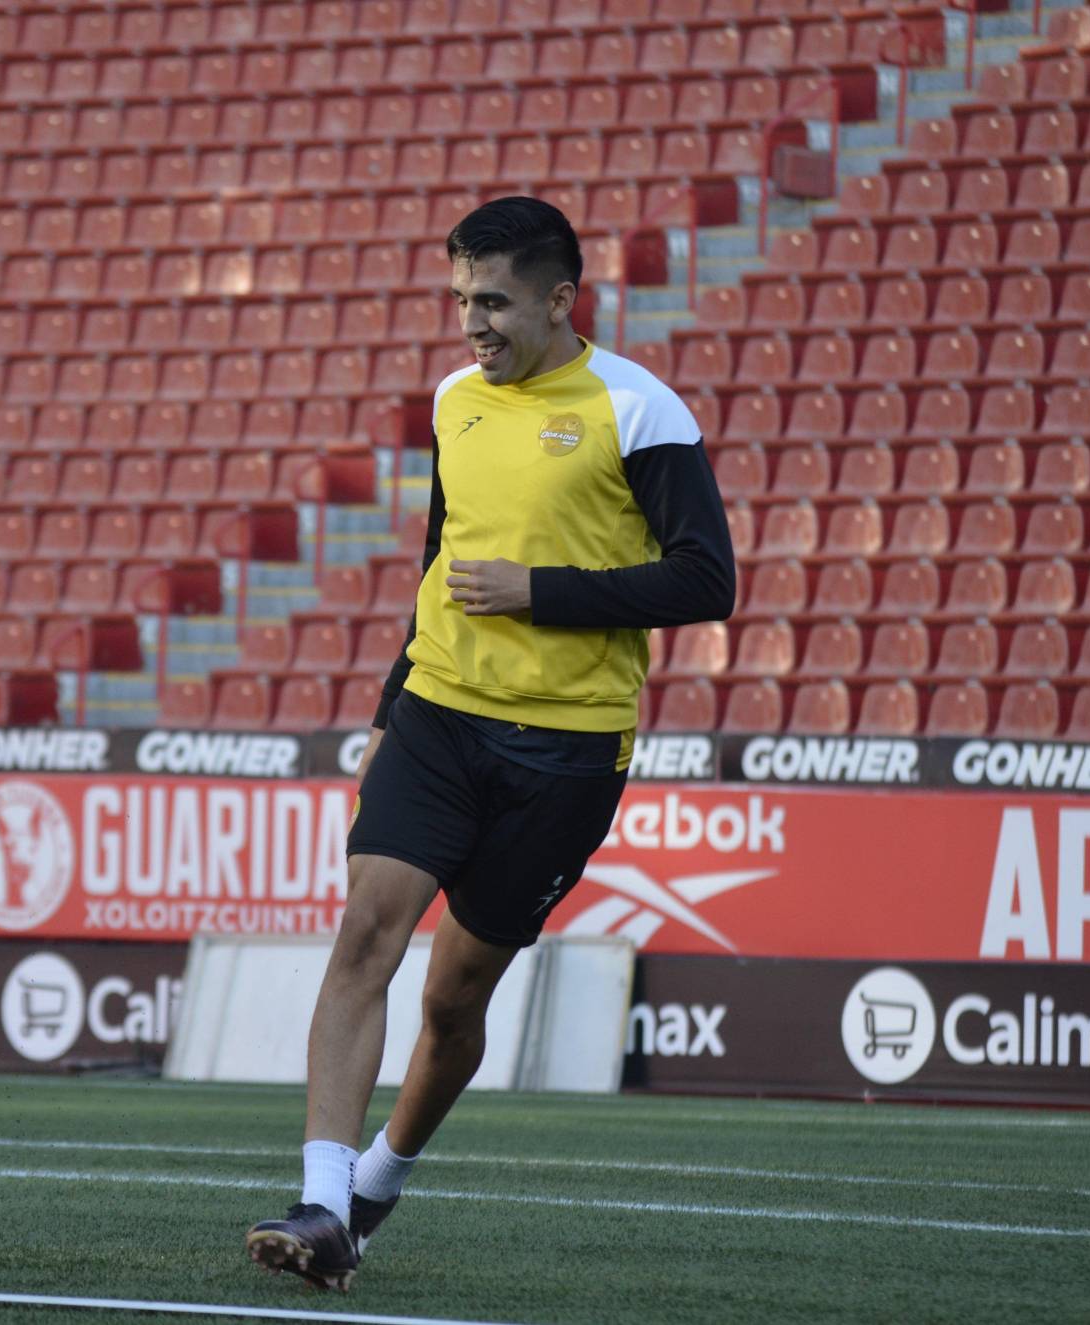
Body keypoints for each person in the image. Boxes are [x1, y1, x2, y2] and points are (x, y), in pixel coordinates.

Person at [244, 196, 736, 1291]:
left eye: (495, 302)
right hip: (439, 712)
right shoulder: (453, 400)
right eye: (462, 299)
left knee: (453, 998)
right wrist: (385, 710)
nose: (472, 323)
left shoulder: (637, 410)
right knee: (365, 930)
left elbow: (708, 579)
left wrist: (539, 593)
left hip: (565, 751)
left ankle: (376, 1184)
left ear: (559, 301)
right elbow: (438, 554)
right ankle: (322, 1204)